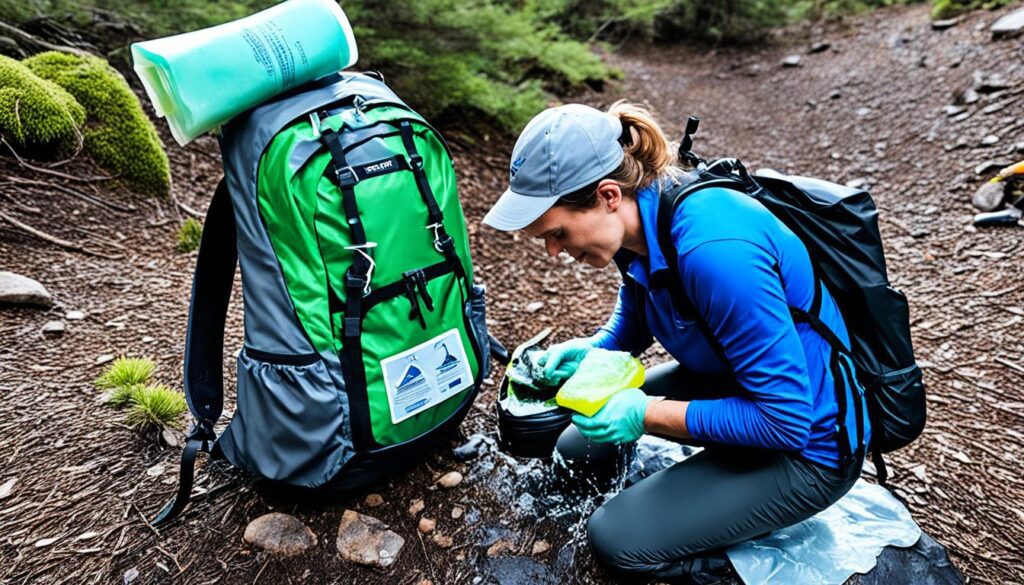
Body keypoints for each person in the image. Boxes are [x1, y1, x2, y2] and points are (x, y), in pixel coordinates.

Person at [481, 102, 871, 583]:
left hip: (808, 446)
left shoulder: (715, 252)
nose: (554, 251)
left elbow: (786, 421)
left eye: (557, 233)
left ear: (607, 195)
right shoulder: (639, 222)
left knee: (616, 539)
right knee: (578, 445)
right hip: (730, 381)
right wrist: (597, 349)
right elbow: (643, 302)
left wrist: (644, 414)